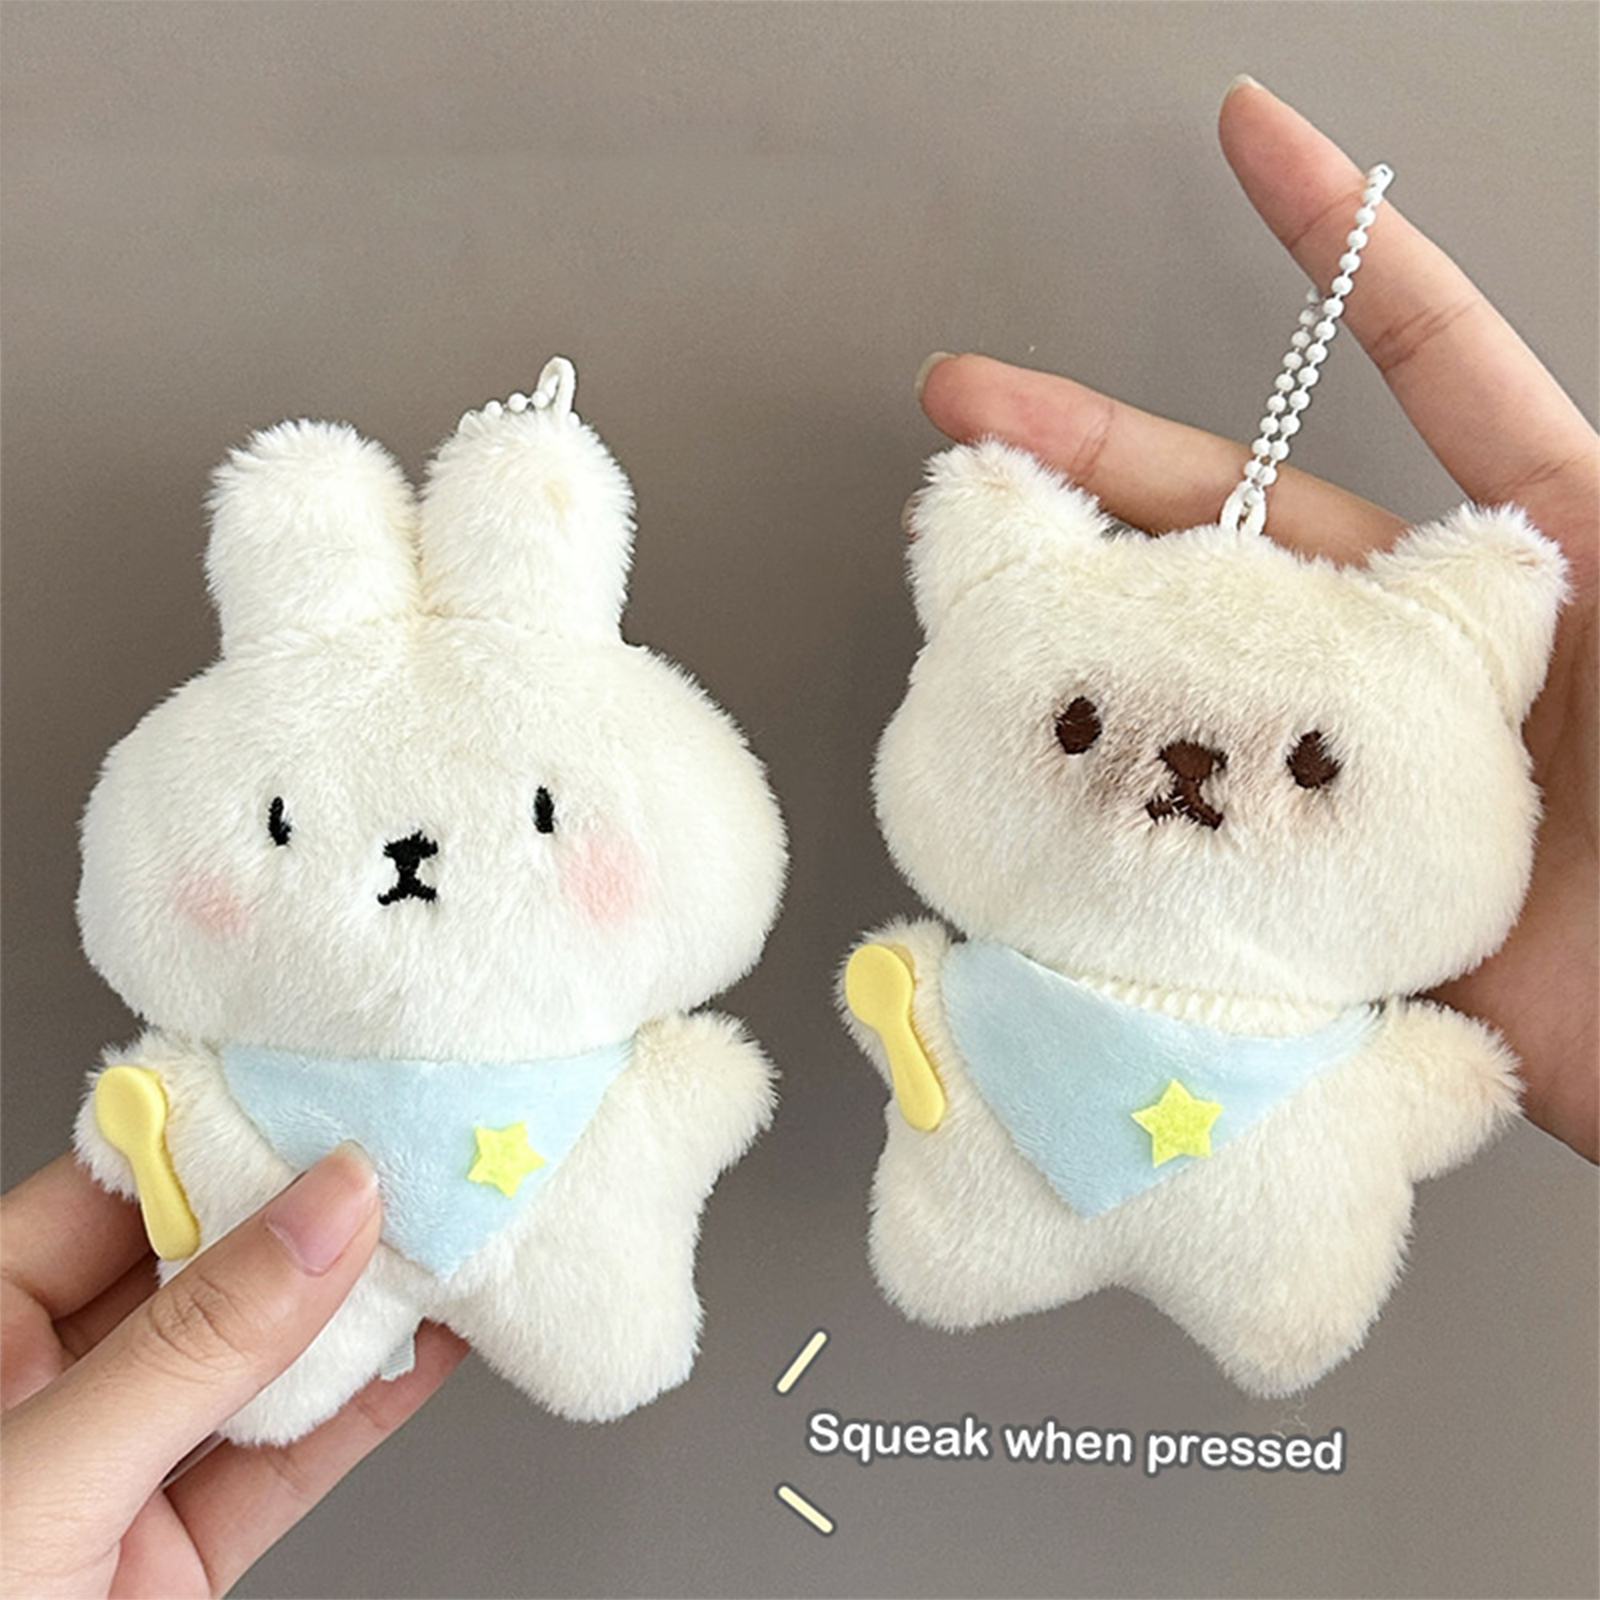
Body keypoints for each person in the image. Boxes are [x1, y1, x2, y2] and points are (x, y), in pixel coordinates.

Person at [2, 77, 1593, 1600]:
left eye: (1313, 767)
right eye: (1082, 729)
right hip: (330, 1183)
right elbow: (692, 1085)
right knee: (483, 1255)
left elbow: (713, 1080)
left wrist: (1414, 1086)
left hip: (1209, 1117)